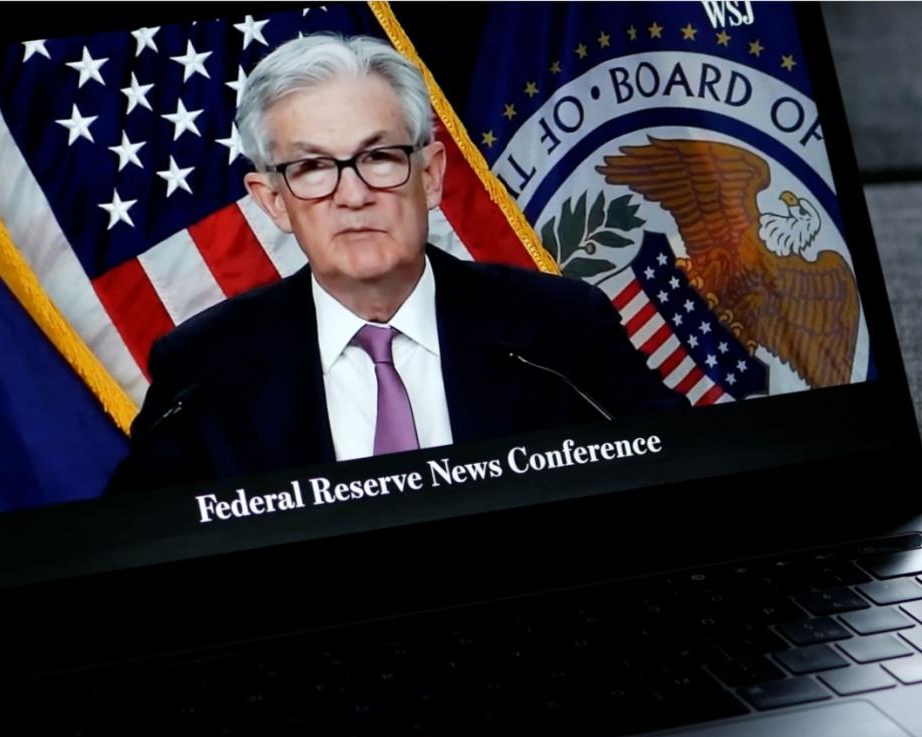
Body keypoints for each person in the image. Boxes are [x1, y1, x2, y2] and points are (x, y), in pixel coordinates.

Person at [106, 34, 686, 493]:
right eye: (311, 168)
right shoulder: (205, 368)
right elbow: (141, 545)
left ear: (431, 176)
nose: (353, 195)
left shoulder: (558, 329)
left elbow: (689, 469)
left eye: (379, 157)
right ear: (273, 201)